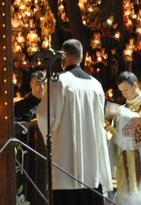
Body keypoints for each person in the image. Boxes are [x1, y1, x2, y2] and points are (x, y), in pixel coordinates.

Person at [36, 39, 111, 205]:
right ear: (82, 57)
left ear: (62, 57)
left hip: (65, 159)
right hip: (92, 161)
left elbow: (46, 118)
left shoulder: (58, 81)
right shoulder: (96, 85)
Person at [108, 71, 141, 205]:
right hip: (123, 159)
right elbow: (114, 134)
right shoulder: (124, 108)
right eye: (121, 91)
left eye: (126, 89)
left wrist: (121, 112)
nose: (124, 93)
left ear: (135, 85)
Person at [13, 71, 47, 205]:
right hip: (28, 154)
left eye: (45, 83)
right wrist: (30, 125)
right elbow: (16, 128)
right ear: (31, 84)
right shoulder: (21, 106)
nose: (42, 87)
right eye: (39, 84)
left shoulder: (52, 105)